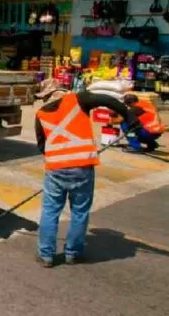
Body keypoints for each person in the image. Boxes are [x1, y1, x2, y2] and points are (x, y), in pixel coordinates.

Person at [34, 79, 138, 267]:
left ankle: (46, 255)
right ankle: (73, 254)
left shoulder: (40, 114)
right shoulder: (78, 99)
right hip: (82, 168)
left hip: (55, 169)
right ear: (62, 91)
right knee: (79, 212)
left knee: (50, 212)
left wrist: (60, 155)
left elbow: (42, 146)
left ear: (46, 96)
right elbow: (108, 100)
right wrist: (129, 117)